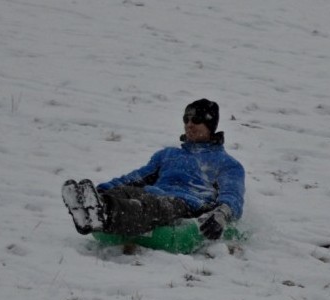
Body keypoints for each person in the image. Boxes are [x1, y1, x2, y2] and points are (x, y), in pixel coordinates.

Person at [62, 98, 245, 240]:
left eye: (196, 119)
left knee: (151, 207)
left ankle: (106, 213)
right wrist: (102, 189)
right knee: (126, 191)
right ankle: (93, 204)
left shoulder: (227, 163)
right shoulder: (168, 154)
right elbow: (136, 177)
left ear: (210, 126)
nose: (189, 124)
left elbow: (232, 196)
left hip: (186, 204)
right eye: (186, 119)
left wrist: (221, 214)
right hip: (153, 193)